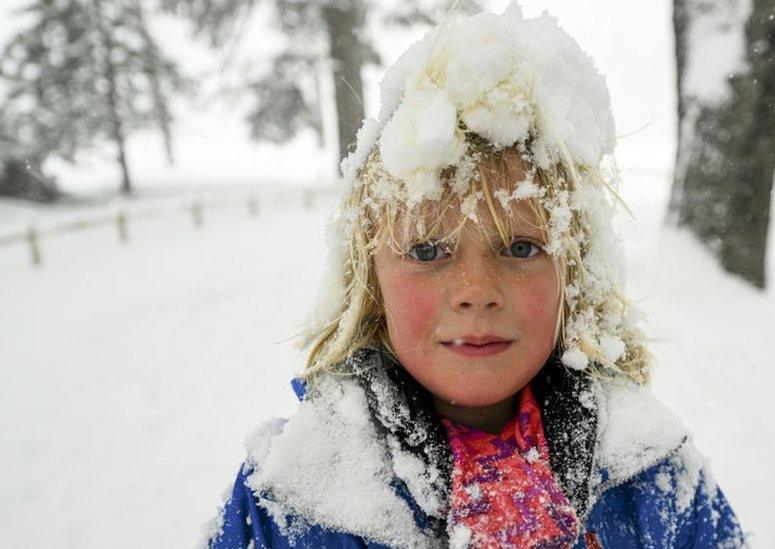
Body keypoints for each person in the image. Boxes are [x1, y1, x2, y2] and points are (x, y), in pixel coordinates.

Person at [205, 4, 747, 548]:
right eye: (426, 250)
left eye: (520, 246)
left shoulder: (652, 471)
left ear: (572, 272)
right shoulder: (291, 496)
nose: (477, 292)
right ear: (370, 283)